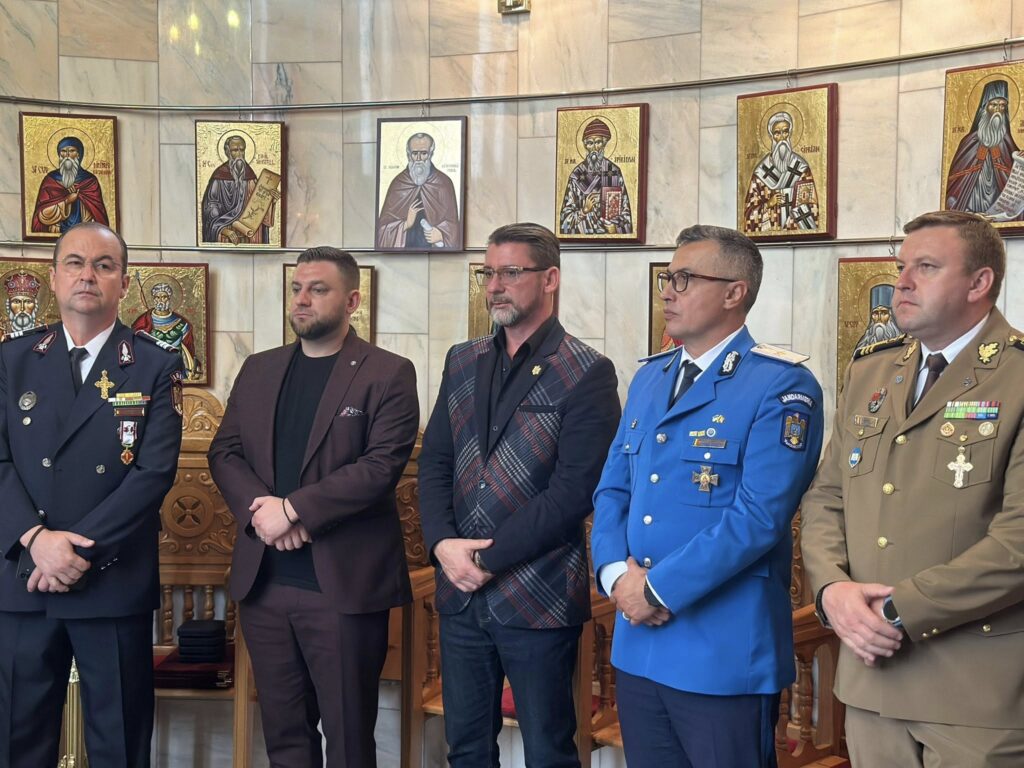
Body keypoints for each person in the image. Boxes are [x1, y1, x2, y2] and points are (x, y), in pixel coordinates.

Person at [591, 224, 823, 767]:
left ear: (734, 292)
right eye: (667, 279)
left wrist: (657, 590)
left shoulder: (780, 384)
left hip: (721, 651)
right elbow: (613, 488)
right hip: (639, 644)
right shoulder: (651, 378)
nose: (668, 292)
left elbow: (759, 517)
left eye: (684, 279)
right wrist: (616, 577)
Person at [801, 210, 1024, 767]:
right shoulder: (871, 373)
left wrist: (897, 610)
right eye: (902, 266)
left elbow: (1018, 541)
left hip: (977, 690)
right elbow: (827, 498)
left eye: (925, 267)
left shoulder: (1018, 376)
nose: (901, 281)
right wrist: (832, 592)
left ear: (979, 282)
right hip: (871, 680)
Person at [208, 246, 419, 767]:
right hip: (265, 585)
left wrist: (294, 510)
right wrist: (264, 515)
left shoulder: (388, 373)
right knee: (285, 740)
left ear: (352, 301)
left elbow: (379, 467)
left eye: (318, 289)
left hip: (342, 589)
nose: (302, 299)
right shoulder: (259, 368)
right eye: (297, 288)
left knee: (348, 742)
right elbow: (225, 452)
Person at [418, 222, 620, 767]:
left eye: (510, 272)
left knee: (549, 753)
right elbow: (435, 462)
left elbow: (574, 492)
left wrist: (486, 558)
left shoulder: (586, 371)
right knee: (466, 750)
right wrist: (442, 545)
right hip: (460, 592)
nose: (495, 286)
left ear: (550, 278)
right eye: (488, 273)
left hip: (539, 594)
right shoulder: (463, 360)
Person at [0, 222, 184, 767]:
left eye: (104, 265)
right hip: (24, 577)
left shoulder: (155, 364)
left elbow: (152, 474)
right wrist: (37, 541)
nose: (88, 275)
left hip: (112, 579)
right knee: (16, 741)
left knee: (118, 745)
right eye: (75, 263)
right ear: (54, 277)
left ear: (123, 283)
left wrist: (72, 552)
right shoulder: (12, 360)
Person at [945, 80, 1021, 219]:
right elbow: (957, 182)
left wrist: (1019, 159)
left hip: (999, 205)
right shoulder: (969, 142)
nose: (998, 109)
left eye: (1002, 105)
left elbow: (1015, 175)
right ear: (984, 108)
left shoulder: (1006, 141)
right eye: (994, 105)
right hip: (973, 203)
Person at [376, 132, 461, 250]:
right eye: (415, 153)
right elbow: (381, 231)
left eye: (424, 153)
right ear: (408, 154)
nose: (419, 159)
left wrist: (441, 234)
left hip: (437, 254)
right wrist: (406, 224)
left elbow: (454, 226)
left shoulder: (444, 183)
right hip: (403, 255)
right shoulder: (398, 184)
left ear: (431, 153)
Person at [742, 111, 819, 233]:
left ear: (790, 133)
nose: (782, 137)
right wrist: (768, 204)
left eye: (785, 131)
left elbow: (812, 206)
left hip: (796, 230)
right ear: (771, 136)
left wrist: (792, 218)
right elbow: (748, 214)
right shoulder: (760, 172)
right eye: (777, 133)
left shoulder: (801, 168)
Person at [559, 118, 633, 235]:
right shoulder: (576, 175)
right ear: (585, 146)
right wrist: (584, 210)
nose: (594, 148)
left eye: (598, 142)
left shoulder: (614, 172)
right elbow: (564, 221)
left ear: (604, 143)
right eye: (590, 143)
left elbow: (626, 213)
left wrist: (614, 228)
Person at [200, 135, 280, 245]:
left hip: (248, 228)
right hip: (224, 225)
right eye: (235, 150)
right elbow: (211, 206)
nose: (239, 154)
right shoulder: (219, 176)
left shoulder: (250, 175)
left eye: (242, 150)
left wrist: (271, 201)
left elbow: (258, 204)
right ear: (227, 152)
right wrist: (222, 229)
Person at [31, 136, 110, 234]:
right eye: (63, 151)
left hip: (84, 233)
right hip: (56, 230)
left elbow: (98, 214)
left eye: (72, 151)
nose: (67, 155)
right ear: (59, 155)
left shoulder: (90, 181)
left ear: (79, 154)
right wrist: (67, 201)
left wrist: (81, 200)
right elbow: (41, 215)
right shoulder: (50, 180)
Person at [131, 280, 200, 379]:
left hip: (175, 371)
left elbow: (189, 350)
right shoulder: (143, 322)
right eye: (157, 297)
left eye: (164, 297)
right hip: (151, 371)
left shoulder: (183, 324)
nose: (161, 300)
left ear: (169, 298)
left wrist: (193, 367)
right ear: (154, 299)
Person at [3, 270, 43, 335]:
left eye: (28, 302)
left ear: (35, 305)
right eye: (16, 302)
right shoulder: (2, 329)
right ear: (8, 305)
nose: (22, 308)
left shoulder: (42, 329)